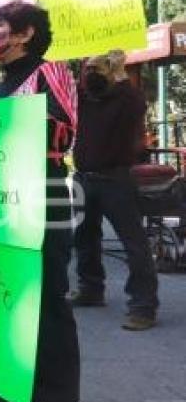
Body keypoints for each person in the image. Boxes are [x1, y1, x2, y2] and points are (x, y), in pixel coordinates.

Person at [0, 0, 81, 402]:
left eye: (0, 27)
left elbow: (62, 130)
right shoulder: (1, 83)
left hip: (43, 199)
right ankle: (14, 394)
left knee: (47, 302)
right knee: (9, 299)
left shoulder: (50, 73)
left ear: (26, 33)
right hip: (2, 205)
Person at [69, 50, 158, 331]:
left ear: (112, 72)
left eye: (99, 68)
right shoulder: (81, 99)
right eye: (88, 68)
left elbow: (137, 105)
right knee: (84, 238)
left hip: (115, 181)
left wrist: (119, 71)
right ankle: (91, 289)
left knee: (135, 244)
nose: (92, 73)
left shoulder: (126, 99)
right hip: (85, 179)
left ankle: (143, 307)